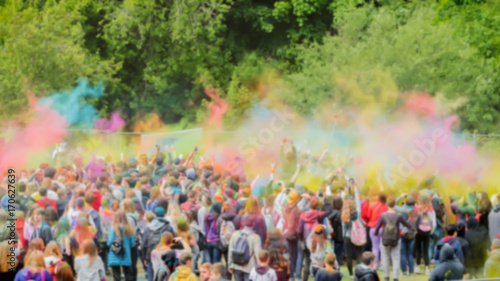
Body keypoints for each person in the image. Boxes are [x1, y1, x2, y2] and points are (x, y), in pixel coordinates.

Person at [374, 197, 412, 281]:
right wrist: (408, 229)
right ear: (394, 204)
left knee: (385, 258)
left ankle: (386, 277)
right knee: (395, 258)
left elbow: (376, 229)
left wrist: (376, 234)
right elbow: (408, 225)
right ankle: (395, 278)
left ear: (387, 204)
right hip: (396, 239)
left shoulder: (383, 215)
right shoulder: (399, 215)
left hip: (384, 239)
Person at [297, 196, 331, 281]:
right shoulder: (318, 215)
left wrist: (301, 239)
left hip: (306, 240)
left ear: (309, 205)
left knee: (307, 260)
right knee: (318, 261)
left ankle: (305, 279)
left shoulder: (303, 215)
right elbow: (329, 211)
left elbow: (299, 230)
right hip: (317, 241)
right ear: (317, 207)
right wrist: (326, 199)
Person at [143, 207, 176, 281]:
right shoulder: (169, 227)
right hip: (167, 254)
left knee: (152, 276)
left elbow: (144, 244)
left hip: (151, 254)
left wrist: (145, 257)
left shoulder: (149, 227)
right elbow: (174, 240)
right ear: (164, 215)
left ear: (155, 214)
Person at [228, 215, 262, 281]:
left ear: (244, 223)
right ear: (253, 224)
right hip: (249, 267)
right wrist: (259, 267)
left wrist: (230, 264)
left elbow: (231, 250)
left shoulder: (235, 234)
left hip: (236, 265)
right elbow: (258, 255)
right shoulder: (255, 237)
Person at [107, 211, 135, 281]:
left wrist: (108, 245)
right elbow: (132, 242)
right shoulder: (129, 228)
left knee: (116, 275)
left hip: (115, 254)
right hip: (125, 253)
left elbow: (110, 241)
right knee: (128, 274)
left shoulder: (113, 228)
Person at [281, 190, 301, 281]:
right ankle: (292, 276)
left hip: (285, 233)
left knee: (287, 255)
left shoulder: (284, 207)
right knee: (294, 256)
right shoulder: (298, 210)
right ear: (296, 199)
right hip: (294, 235)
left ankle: (288, 274)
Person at [414, 196, 436, 275]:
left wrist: (415, 230)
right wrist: (430, 232)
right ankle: (427, 268)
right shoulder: (431, 211)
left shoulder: (418, 210)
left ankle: (418, 267)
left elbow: (415, 221)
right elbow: (434, 224)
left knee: (418, 249)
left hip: (419, 232)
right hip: (427, 232)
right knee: (426, 250)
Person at [342, 199, 363, 279]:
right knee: (359, 255)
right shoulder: (357, 213)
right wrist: (356, 191)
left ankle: (351, 274)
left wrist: (344, 236)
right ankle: (359, 273)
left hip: (348, 236)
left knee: (349, 256)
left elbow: (344, 228)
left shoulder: (344, 215)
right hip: (358, 236)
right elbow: (358, 204)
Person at [395, 195, 416, 276]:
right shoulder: (415, 210)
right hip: (412, 233)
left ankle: (404, 272)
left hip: (402, 232)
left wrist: (400, 196)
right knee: (410, 253)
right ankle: (411, 272)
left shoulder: (401, 210)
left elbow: (393, 204)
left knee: (402, 253)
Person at [367, 194, 388, 270]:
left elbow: (369, 216)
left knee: (375, 247)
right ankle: (383, 266)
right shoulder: (387, 206)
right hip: (384, 228)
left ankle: (375, 265)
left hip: (373, 227)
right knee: (383, 248)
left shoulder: (373, 205)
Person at [328, 196, 344, 267]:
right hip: (339, 235)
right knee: (338, 252)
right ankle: (337, 265)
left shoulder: (330, 212)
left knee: (331, 251)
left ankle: (332, 264)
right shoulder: (340, 213)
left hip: (331, 234)